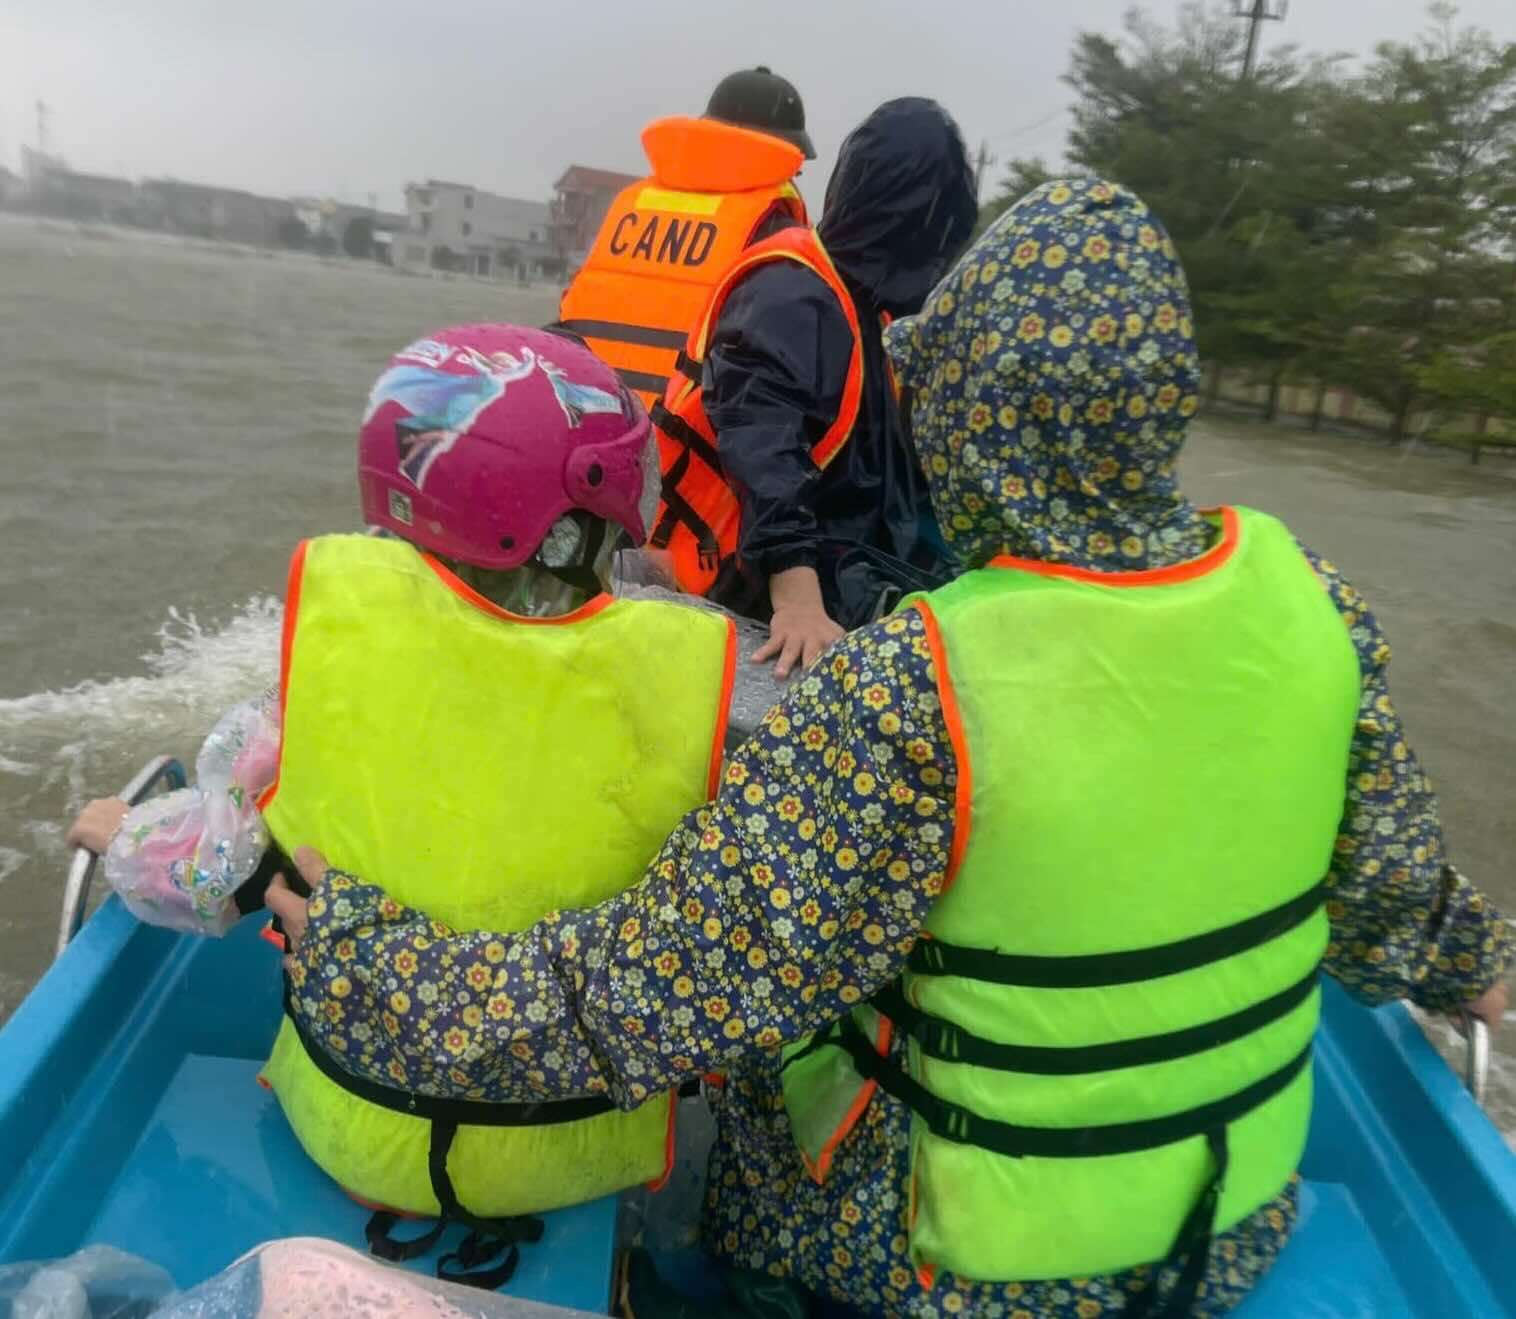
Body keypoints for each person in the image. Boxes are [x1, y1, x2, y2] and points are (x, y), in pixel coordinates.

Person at [268, 181, 1510, 1318]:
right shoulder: (1314, 605)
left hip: (963, 1277)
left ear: (967, 417)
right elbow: (1397, 907)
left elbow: (653, 994)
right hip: (1227, 1225)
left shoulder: (916, 684)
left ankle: (710, 1284)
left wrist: (371, 962)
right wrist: (1484, 967)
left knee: (756, 1093)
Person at [67, 324, 739, 1282]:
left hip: (351, 1133)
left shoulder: (334, 659)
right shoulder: (674, 683)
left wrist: (122, 832)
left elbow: (209, 867)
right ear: (575, 525)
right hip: (574, 1156)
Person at [649, 97, 978, 678]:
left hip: (837, 556)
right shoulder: (788, 293)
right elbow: (761, 446)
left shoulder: (865, 305)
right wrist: (796, 596)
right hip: (736, 585)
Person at [557, 66, 814, 412]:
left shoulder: (632, 204)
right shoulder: (773, 229)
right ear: (783, 154)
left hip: (588, 418)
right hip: (679, 447)